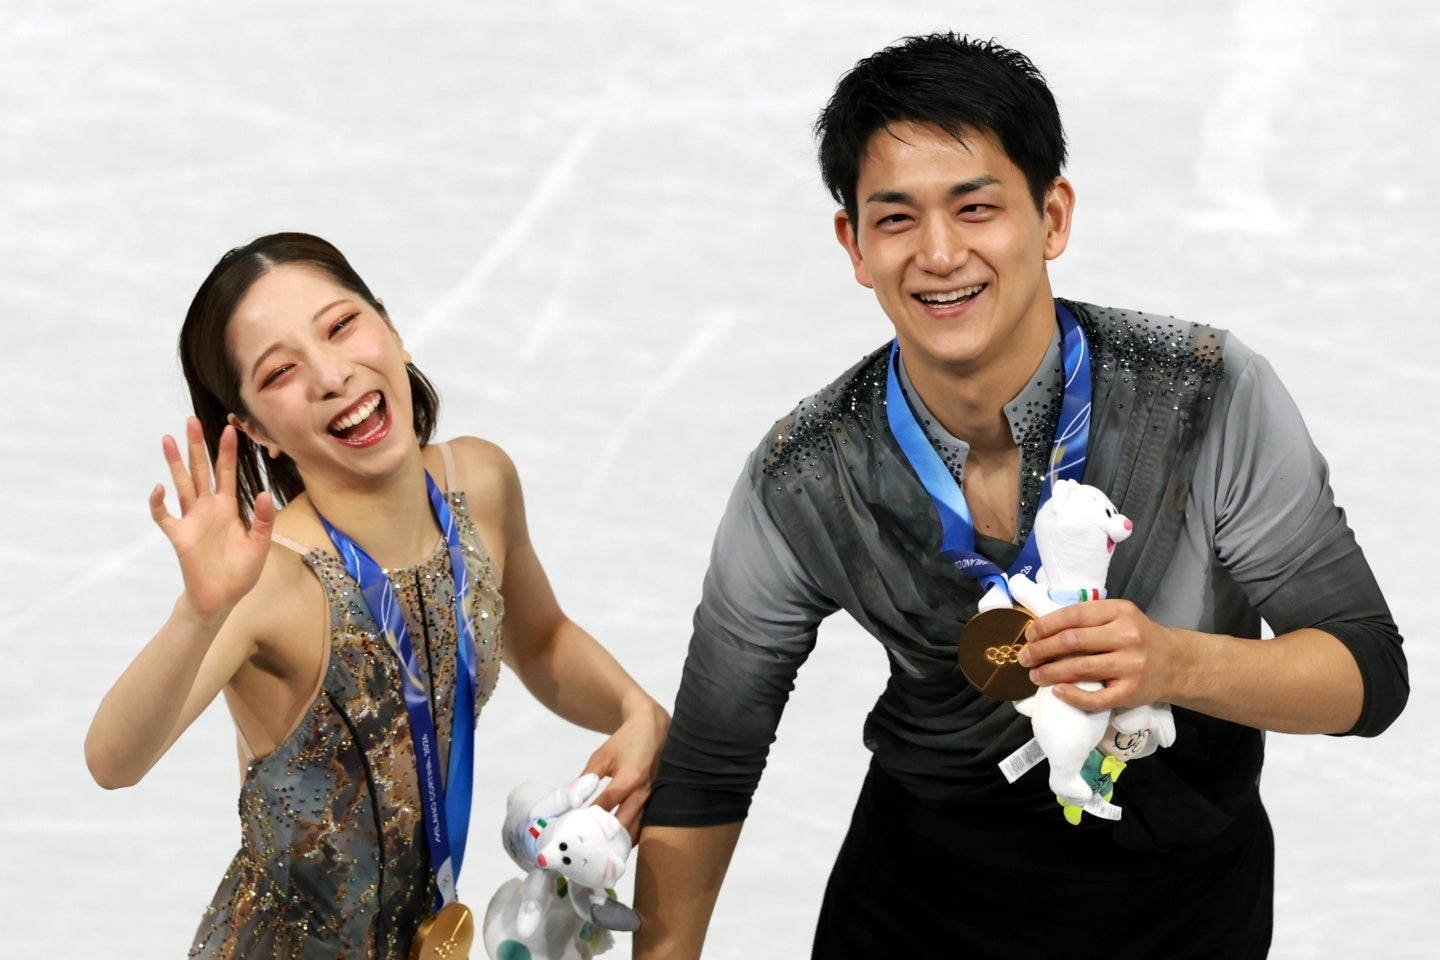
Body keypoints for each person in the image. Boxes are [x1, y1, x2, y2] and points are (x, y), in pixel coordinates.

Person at [632, 33, 1408, 959]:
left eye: (977, 207)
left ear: (1053, 216)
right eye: (895, 219)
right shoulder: (809, 471)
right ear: (853, 244)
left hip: (1183, 913)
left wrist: (1173, 664)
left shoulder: (1205, 396)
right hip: (916, 910)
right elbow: (711, 766)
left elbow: (1368, 676)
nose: (941, 253)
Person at [84, 233, 669, 958]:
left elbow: (542, 639)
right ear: (256, 430)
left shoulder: (479, 483)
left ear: (392, 329)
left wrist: (635, 708)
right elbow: (114, 762)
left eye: (340, 326)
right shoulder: (271, 577)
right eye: (280, 373)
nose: (331, 373)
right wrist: (199, 613)